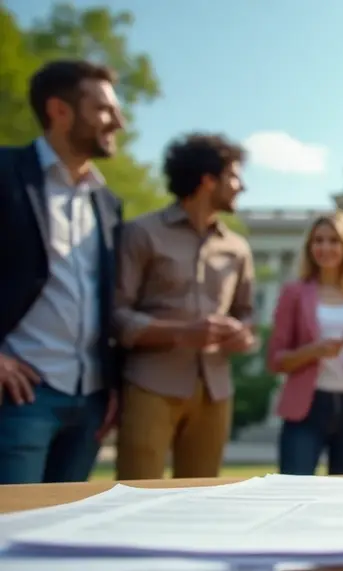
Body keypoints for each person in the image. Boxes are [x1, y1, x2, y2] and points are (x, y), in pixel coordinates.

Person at [0, 60, 125, 484]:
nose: (118, 122)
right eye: (105, 110)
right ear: (59, 110)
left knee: (65, 538)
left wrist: (112, 384)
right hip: (22, 396)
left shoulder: (107, 203)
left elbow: (104, 299)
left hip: (89, 403)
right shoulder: (5, 174)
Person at [115, 133, 257, 480]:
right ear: (208, 180)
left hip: (216, 391)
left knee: (201, 501)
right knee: (136, 496)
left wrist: (243, 336)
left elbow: (247, 314)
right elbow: (116, 316)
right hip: (150, 385)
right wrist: (183, 333)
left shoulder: (237, 249)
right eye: (235, 177)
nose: (242, 186)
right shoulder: (141, 233)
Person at [267, 211, 343, 475]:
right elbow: (275, 359)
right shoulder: (294, 293)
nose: (325, 248)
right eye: (318, 241)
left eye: (334, 241)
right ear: (309, 247)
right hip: (307, 408)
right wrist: (314, 351)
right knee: (293, 488)